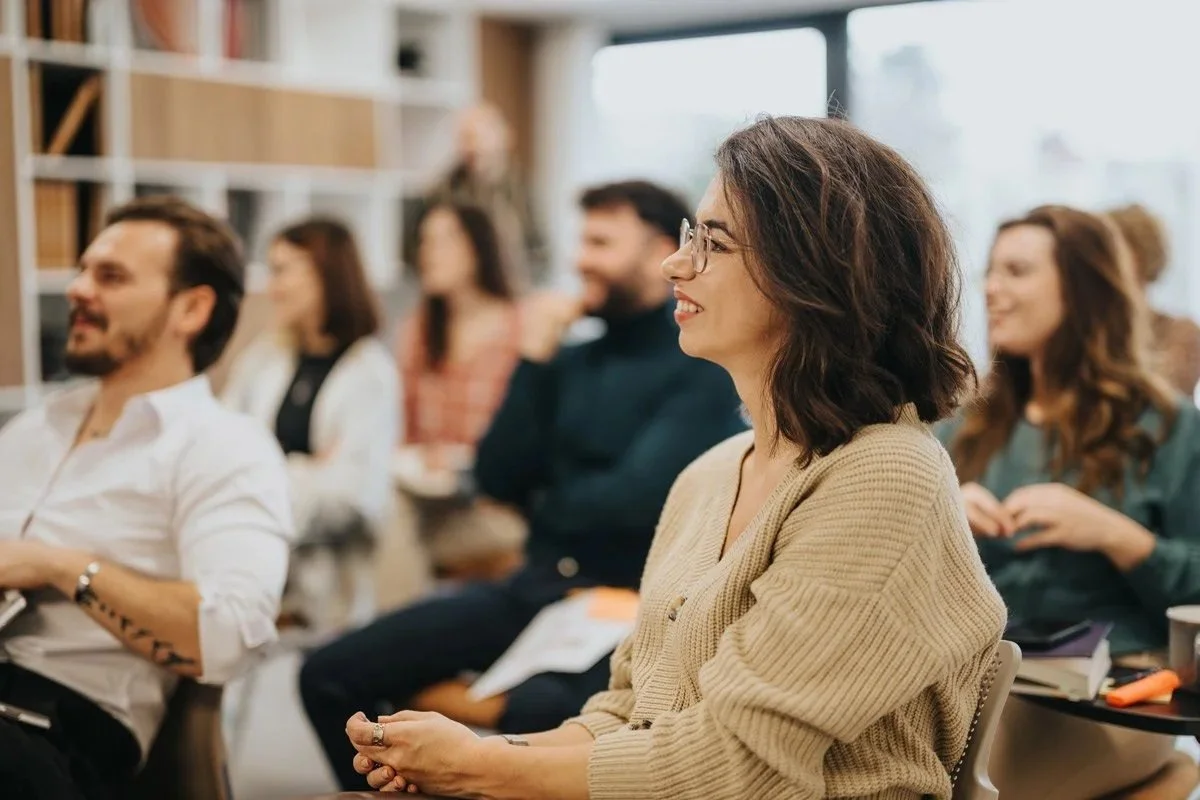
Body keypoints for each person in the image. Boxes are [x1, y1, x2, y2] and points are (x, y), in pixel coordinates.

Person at [341, 116, 1008, 799]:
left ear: (812, 273)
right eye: (691, 236)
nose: (675, 264)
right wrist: (481, 758)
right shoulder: (712, 473)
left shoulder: (885, 476)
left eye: (712, 243)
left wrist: (480, 767)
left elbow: (738, 765)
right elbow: (627, 712)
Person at [300, 179, 747, 790]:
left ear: (654, 252)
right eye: (579, 240)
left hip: (626, 601)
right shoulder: (568, 361)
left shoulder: (699, 364)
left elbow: (637, 499)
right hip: (536, 586)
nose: (578, 260)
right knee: (329, 672)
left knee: (544, 712)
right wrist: (533, 358)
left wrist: (545, 503)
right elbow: (494, 474)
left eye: (600, 242)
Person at [0, 196, 293, 800]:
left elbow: (232, 632)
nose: (77, 289)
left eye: (110, 277)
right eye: (83, 270)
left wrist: (56, 566)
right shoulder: (35, 426)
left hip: (54, 728)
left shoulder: (225, 447)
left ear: (191, 308)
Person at [939, 205, 1200, 799]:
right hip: (975, 686)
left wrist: (1118, 536)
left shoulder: (1169, 430)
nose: (991, 289)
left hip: (1108, 701)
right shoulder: (963, 426)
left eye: (1017, 271)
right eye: (990, 271)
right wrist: (941, 518)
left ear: (1083, 291)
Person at [222, 217, 399, 630]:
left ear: (326, 274)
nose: (272, 287)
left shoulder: (370, 373)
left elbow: (354, 497)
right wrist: (307, 470)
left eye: (283, 271)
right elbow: (222, 450)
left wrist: (262, 480)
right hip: (251, 564)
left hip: (329, 585)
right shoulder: (265, 357)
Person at [393, 202, 526, 585]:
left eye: (445, 240)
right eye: (425, 241)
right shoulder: (419, 332)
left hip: (496, 504)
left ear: (479, 247)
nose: (428, 253)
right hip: (426, 497)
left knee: (394, 536)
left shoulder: (520, 328)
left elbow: (530, 437)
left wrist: (463, 462)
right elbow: (403, 426)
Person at [422, 103, 545, 290]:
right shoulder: (442, 194)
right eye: (464, 138)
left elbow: (540, 250)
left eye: (479, 137)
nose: (473, 146)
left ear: (505, 138)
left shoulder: (524, 190)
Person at [1106, 203, 1200, 397]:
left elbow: (1167, 396)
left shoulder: (1182, 333)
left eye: (1107, 250)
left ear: (1136, 258)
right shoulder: (1093, 330)